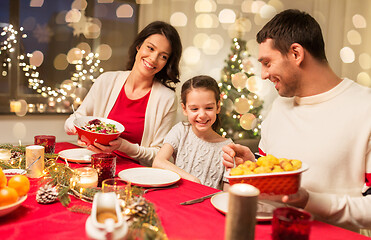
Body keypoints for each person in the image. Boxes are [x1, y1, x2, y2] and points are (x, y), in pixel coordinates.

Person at [222, 9, 371, 233]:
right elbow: (272, 177)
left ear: (296, 54)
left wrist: (308, 200)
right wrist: (251, 168)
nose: (262, 74)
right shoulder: (279, 107)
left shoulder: (365, 108)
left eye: (267, 62)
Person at [64, 21, 182, 167]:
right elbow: (76, 118)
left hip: (136, 175)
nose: (153, 58)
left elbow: (158, 156)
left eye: (163, 56)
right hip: (95, 164)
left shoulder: (167, 99)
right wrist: (79, 130)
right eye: (150, 48)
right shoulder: (106, 80)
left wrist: (123, 146)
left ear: (167, 63)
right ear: (139, 46)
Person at [153, 75, 233, 190]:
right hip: (176, 199)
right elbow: (158, 162)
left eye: (209, 108)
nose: (202, 115)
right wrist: (192, 180)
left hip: (205, 206)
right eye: (194, 109)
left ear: (218, 107)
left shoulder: (228, 147)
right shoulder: (181, 130)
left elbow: (227, 194)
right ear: (184, 109)